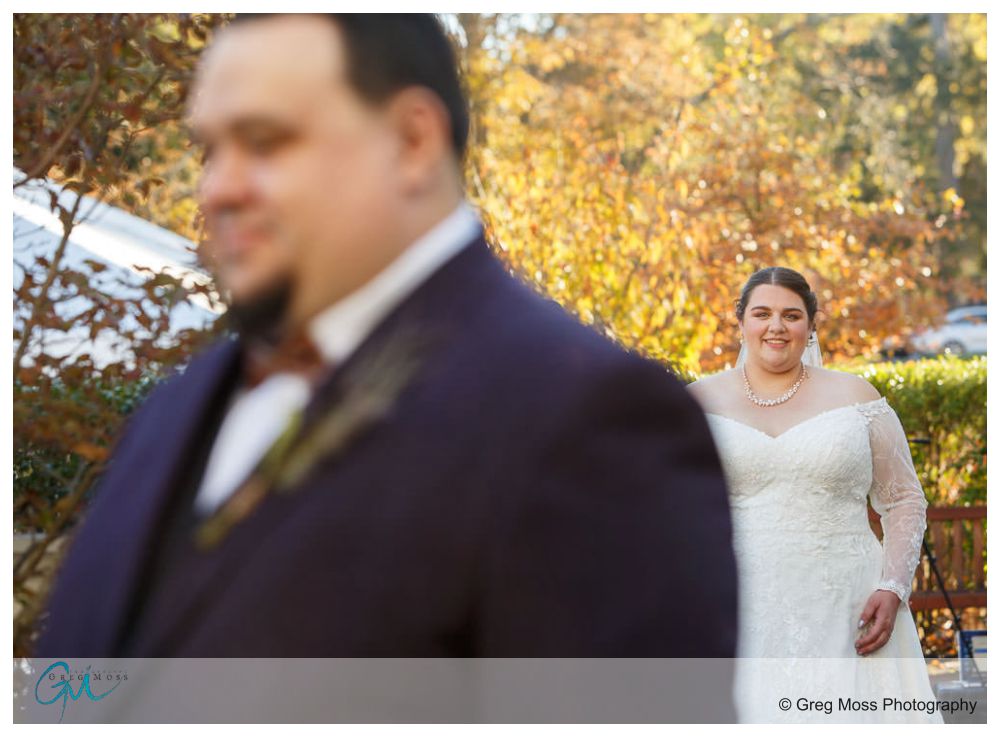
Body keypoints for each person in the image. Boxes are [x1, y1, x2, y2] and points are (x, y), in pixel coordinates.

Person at [34, 14, 737, 671]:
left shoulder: (587, 421)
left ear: (413, 142)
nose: (218, 186)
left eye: (266, 141)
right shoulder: (178, 404)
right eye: (208, 149)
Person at [687, 267, 941, 723]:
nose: (776, 327)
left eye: (792, 315)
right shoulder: (697, 403)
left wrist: (893, 586)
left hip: (848, 605)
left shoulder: (856, 397)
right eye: (762, 313)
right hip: (739, 605)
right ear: (741, 320)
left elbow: (904, 499)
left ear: (811, 324)